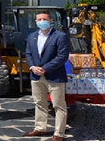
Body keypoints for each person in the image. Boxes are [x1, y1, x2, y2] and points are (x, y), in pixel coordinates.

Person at [23, 11, 71, 141]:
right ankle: (40, 128)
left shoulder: (60, 36)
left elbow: (62, 56)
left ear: (51, 21)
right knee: (39, 103)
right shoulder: (32, 36)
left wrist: (45, 68)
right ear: (35, 22)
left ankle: (59, 133)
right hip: (36, 76)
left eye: (44, 19)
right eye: (39, 19)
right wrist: (32, 67)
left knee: (58, 105)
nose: (41, 21)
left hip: (54, 75)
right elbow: (28, 54)